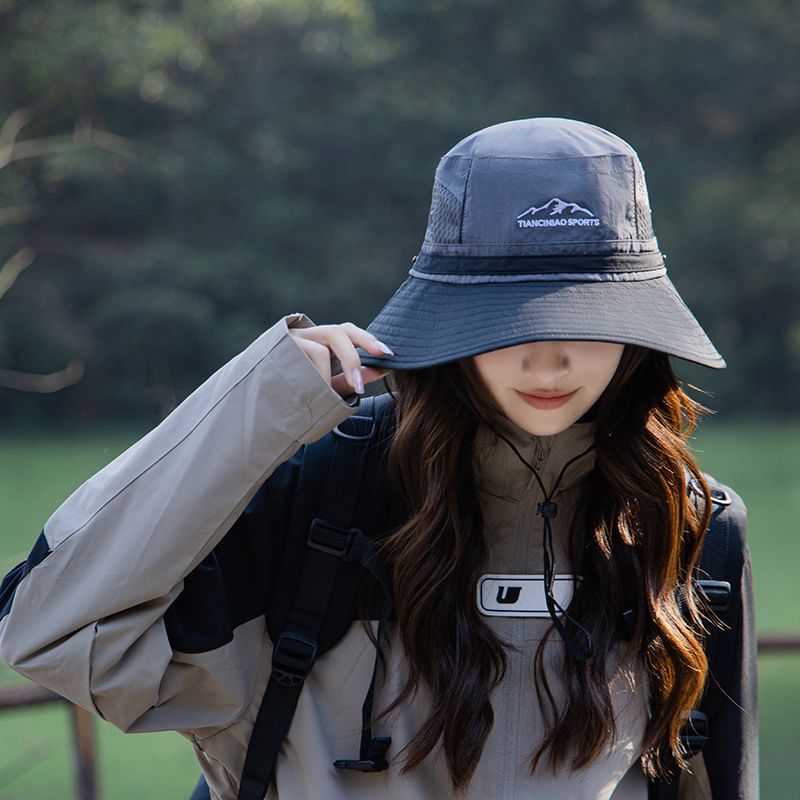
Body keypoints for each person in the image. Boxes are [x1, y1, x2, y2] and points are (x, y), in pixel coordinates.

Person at [0, 118, 757, 800]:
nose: (549, 362)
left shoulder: (692, 526)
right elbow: (48, 628)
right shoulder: (320, 498)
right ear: (450, 315)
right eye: (506, 321)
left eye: (589, 318)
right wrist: (259, 404)